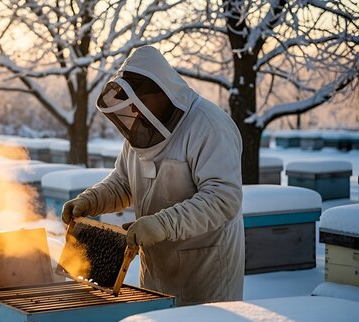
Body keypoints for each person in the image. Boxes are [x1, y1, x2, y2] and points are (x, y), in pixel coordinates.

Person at [62, 46, 244, 306]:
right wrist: (91, 200)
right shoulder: (142, 129)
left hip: (206, 273)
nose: (134, 112)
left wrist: (162, 224)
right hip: (156, 273)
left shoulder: (208, 125)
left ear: (162, 93)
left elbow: (223, 198)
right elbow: (124, 182)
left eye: (140, 102)